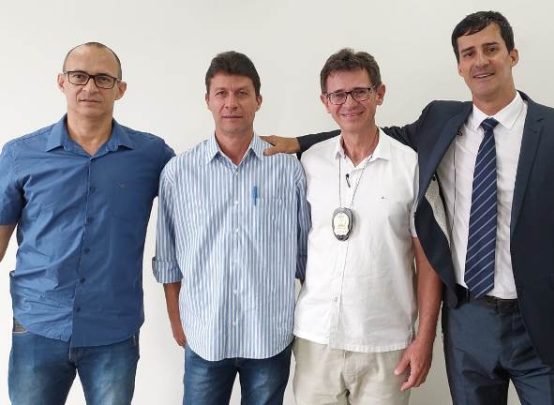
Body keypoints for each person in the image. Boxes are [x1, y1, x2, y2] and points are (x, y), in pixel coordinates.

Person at [264, 11, 554, 405]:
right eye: (468, 53)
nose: (480, 61)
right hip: (467, 320)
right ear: (459, 66)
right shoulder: (440, 121)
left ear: (512, 54)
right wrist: (299, 143)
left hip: (547, 327)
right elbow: (370, 131)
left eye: (491, 49)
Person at [0, 42, 174, 404]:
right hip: (38, 325)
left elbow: (200, 198)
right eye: (79, 76)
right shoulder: (20, 155)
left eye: (103, 78)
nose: (90, 87)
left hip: (114, 330)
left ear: (120, 89)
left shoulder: (151, 155)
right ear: (61, 82)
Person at [152, 51, 310, 405]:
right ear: (207, 100)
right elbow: (168, 257)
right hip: (205, 334)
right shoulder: (179, 173)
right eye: (221, 93)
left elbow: (305, 253)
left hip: (269, 333)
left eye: (241, 93)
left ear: (258, 100)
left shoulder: (287, 169)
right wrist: (177, 321)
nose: (231, 103)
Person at [292, 48, 441, 405]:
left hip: (385, 343)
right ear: (325, 102)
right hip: (316, 339)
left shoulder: (411, 167)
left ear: (379, 93)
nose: (349, 103)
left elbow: (429, 262)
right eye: (338, 95)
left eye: (360, 91)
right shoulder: (309, 163)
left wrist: (425, 339)